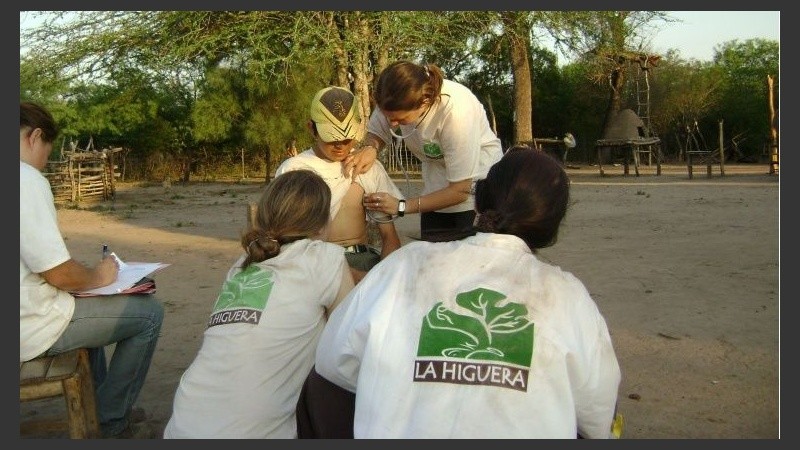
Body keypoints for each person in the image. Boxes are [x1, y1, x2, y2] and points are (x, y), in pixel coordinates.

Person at [309, 146, 623, 438]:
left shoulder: (406, 265)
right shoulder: (566, 295)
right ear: (551, 228)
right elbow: (597, 418)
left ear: (478, 201)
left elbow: (331, 366)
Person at [163, 169, 355, 438]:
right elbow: (348, 344)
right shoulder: (323, 258)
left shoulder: (242, 265)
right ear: (323, 223)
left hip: (182, 425)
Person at [20, 101, 165, 439]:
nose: (45, 161)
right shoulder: (25, 179)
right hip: (28, 327)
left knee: (93, 308)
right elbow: (57, 273)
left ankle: (99, 409)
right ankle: (112, 422)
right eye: (48, 150)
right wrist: (100, 277)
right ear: (35, 137)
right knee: (149, 316)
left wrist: (89, 283)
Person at [344, 60, 503, 240]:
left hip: (478, 189)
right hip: (436, 183)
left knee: (465, 259)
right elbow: (376, 133)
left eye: (400, 120)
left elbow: (460, 190)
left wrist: (401, 206)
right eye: (388, 117)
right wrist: (371, 147)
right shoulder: (391, 98)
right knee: (431, 256)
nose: (392, 124)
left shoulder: (456, 113)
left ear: (424, 101)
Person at [276, 86, 403, 282]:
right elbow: (287, 242)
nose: (340, 146)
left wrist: (382, 281)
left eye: (347, 139)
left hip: (363, 261)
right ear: (311, 128)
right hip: (312, 265)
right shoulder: (294, 170)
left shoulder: (367, 167)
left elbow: (389, 237)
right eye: (332, 138)